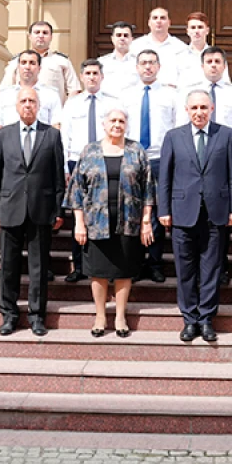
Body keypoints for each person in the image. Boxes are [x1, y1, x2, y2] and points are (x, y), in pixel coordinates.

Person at [158, 90, 232, 343]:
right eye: (194, 107)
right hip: (183, 213)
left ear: (212, 108)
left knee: (211, 269)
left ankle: (206, 318)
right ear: (186, 109)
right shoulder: (174, 137)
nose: (199, 112)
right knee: (185, 270)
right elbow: (165, 176)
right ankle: (189, 319)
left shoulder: (226, 135)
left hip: (216, 213)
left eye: (204, 107)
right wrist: (164, 210)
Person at [65, 108, 156, 338]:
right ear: (104, 124)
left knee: (124, 270)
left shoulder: (136, 150)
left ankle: (120, 316)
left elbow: (148, 189)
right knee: (98, 272)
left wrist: (146, 221)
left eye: (121, 120)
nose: (117, 124)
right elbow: (76, 189)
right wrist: (79, 223)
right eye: (113, 120)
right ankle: (99, 316)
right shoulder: (90, 151)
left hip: (129, 221)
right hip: (96, 222)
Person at [0, 87, 66, 337]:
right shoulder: (4, 135)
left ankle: (36, 316)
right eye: (23, 101)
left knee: (38, 267)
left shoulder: (52, 135)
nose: (28, 105)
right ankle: (9, 315)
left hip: (41, 210)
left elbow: (57, 177)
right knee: (8, 266)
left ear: (39, 105)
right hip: (10, 208)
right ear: (16, 105)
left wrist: (58, 209)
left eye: (32, 101)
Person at [181, 46, 232, 285]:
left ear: (224, 66)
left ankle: (220, 269)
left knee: (221, 220)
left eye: (217, 61)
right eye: (208, 61)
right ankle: (201, 271)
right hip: (197, 160)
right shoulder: (190, 93)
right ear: (202, 66)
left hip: (224, 159)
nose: (213, 65)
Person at [60, 59, 121, 282]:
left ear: (102, 77)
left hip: (107, 159)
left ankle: (110, 267)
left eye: (96, 73)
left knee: (107, 214)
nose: (92, 77)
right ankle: (79, 266)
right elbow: (64, 134)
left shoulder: (113, 103)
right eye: (88, 73)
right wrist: (64, 166)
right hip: (78, 162)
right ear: (82, 77)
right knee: (79, 214)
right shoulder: (72, 104)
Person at [120, 49, 178, 283]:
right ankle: (134, 263)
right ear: (137, 67)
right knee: (133, 211)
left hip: (160, 158)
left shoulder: (171, 95)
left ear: (159, 66)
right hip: (132, 157)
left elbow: (176, 128)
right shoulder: (126, 95)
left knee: (156, 211)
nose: (147, 67)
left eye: (152, 63)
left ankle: (154, 263)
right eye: (143, 63)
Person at [0, 21, 81, 104]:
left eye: (45, 33)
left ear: (51, 37)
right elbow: (5, 90)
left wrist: (66, 112)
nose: (41, 36)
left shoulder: (62, 61)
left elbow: (74, 90)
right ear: (29, 36)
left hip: (52, 113)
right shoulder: (17, 61)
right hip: (23, 112)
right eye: (37, 32)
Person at [0, 50, 62, 129]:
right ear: (18, 67)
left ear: (39, 68)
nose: (27, 67)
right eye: (23, 62)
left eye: (32, 63)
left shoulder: (51, 94)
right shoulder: (5, 94)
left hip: (41, 139)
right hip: (9, 140)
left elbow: (56, 126)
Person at [130, 7, 186, 86]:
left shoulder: (180, 47)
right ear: (149, 22)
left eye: (162, 18)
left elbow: (184, 74)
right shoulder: (136, 45)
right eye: (155, 18)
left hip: (171, 93)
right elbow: (131, 72)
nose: (158, 21)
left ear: (169, 23)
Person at [174, 12, 228, 90]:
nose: (196, 31)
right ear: (187, 31)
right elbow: (173, 85)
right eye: (193, 27)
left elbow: (225, 82)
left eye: (200, 27)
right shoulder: (179, 56)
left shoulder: (217, 56)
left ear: (207, 30)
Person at [98, 21, 141, 96]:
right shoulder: (101, 62)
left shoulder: (140, 62)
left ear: (131, 39)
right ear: (112, 39)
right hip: (108, 105)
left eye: (126, 35)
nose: (122, 38)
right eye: (118, 35)